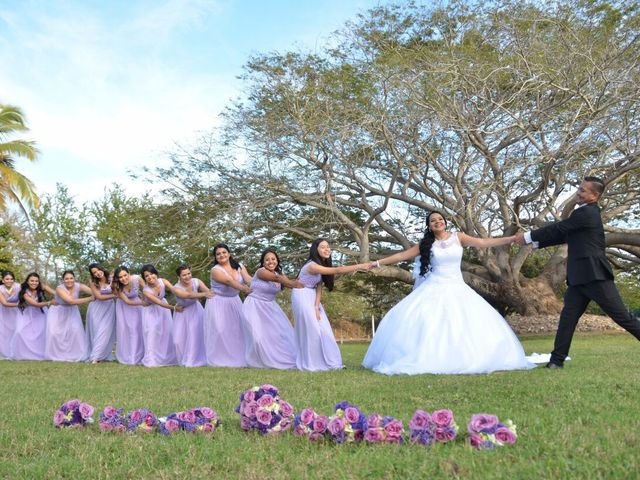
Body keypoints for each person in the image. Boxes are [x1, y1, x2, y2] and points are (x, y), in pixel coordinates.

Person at [362, 211, 535, 375]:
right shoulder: (426, 244)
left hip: (458, 287)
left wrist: (512, 238)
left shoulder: (458, 237)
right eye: (433, 221)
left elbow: (482, 243)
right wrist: (377, 263)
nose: (437, 222)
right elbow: (401, 256)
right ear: (429, 226)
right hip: (434, 286)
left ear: (445, 222)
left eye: (440, 219)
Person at [515, 176, 640, 369]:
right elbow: (564, 234)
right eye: (579, 189)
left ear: (594, 195)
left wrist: (528, 236)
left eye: (582, 190)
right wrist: (534, 242)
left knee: (623, 317)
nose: (578, 193)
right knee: (568, 319)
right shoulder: (580, 215)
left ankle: (556, 360)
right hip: (578, 279)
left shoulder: (589, 213)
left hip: (596, 276)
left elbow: (560, 227)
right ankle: (556, 362)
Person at [292, 238, 369, 371]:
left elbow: (319, 286)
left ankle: (332, 363)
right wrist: (361, 266)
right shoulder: (312, 265)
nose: (327, 249)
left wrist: (316, 306)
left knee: (324, 328)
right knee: (313, 330)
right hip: (301, 295)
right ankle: (313, 363)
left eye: (328, 247)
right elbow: (337, 270)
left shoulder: (321, 265)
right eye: (323, 247)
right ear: (315, 250)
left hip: (312, 296)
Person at [242, 248, 303, 369]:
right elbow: (279, 279)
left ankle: (284, 358)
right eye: (267, 260)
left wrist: (301, 283)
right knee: (258, 337)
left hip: (270, 307)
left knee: (281, 334)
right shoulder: (261, 272)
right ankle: (259, 361)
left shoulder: (281, 275)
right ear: (263, 263)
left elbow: (288, 281)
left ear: (277, 261)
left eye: (273, 259)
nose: (270, 262)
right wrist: (294, 284)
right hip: (254, 305)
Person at [203, 243, 252, 367]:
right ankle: (221, 359)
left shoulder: (239, 266)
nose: (221, 255)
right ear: (215, 257)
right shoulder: (215, 270)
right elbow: (229, 281)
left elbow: (248, 279)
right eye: (218, 254)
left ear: (229, 254)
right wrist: (245, 289)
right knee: (220, 330)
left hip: (234, 301)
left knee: (237, 330)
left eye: (224, 252)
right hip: (218, 302)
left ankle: (240, 356)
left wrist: (259, 285)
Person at [45, 270, 94, 362]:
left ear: (74, 278)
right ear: (63, 280)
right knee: (54, 333)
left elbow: (94, 292)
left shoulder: (79, 286)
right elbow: (70, 301)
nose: (69, 280)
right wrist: (90, 298)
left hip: (72, 311)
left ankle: (77, 354)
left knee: (76, 332)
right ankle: (56, 355)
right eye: (66, 279)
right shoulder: (59, 288)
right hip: (58, 311)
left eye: (71, 278)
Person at [139, 264, 180, 367]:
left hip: (163, 311)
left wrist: (185, 297)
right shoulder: (146, 290)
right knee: (152, 332)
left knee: (166, 332)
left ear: (156, 274)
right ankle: (152, 360)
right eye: (146, 276)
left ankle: (167, 358)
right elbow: (158, 302)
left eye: (152, 274)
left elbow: (175, 291)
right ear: (144, 278)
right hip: (151, 311)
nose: (150, 277)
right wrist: (174, 308)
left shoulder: (163, 282)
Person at [172, 264, 213, 367]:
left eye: (189, 273)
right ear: (179, 277)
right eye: (184, 275)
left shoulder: (196, 281)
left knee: (194, 335)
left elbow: (208, 291)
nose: (187, 276)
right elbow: (188, 295)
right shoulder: (175, 288)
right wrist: (203, 295)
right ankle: (182, 360)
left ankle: (192, 360)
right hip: (182, 312)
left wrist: (209, 293)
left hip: (196, 310)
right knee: (178, 339)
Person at [12, 273, 56, 361]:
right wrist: (49, 302)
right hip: (27, 313)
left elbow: (56, 293)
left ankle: (42, 353)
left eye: (36, 281)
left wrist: (61, 297)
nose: (34, 283)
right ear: (27, 281)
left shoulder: (41, 287)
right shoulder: (24, 292)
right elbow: (35, 304)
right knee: (19, 332)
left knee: (42, 332)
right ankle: (24, 354)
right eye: (32, 281)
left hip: (40, 313)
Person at [112, 266, 146, 365]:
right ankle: (132, 356)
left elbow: (146, 290)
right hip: (125, 308)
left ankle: (142, 354)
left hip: (138, 306)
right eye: (120, 277)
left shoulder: (137, 279)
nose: (123, 278)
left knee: (140, 329)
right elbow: (127, 301)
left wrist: (144, 300)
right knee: (131, 330)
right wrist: (142, 303)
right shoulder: (118, 287)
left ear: (129, 273)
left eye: (125, 275)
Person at [85, 263, 117, 363]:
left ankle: (96, 356)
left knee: (105, 330)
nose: (98, 273)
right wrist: (115, 296)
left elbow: (117, 290)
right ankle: (96, 355)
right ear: (93, 275)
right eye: (94, 272)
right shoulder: (94, 283)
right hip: (96, 309)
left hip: (109, 309)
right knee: (97, 331)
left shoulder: (111, 279)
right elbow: (99, 297)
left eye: (98, 270)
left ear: (102, 269)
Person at [0, 270, 20, 359]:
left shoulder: (19, 287)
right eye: (7, 279)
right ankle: (6, 353)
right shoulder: (0, 289)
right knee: (4, 333)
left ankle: (16, 352)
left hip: (16, 313)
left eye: (11, 279)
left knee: (16, 330)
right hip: (3, 312)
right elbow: (4, 303)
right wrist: (19, 305)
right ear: (3, 280)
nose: (9, 281)